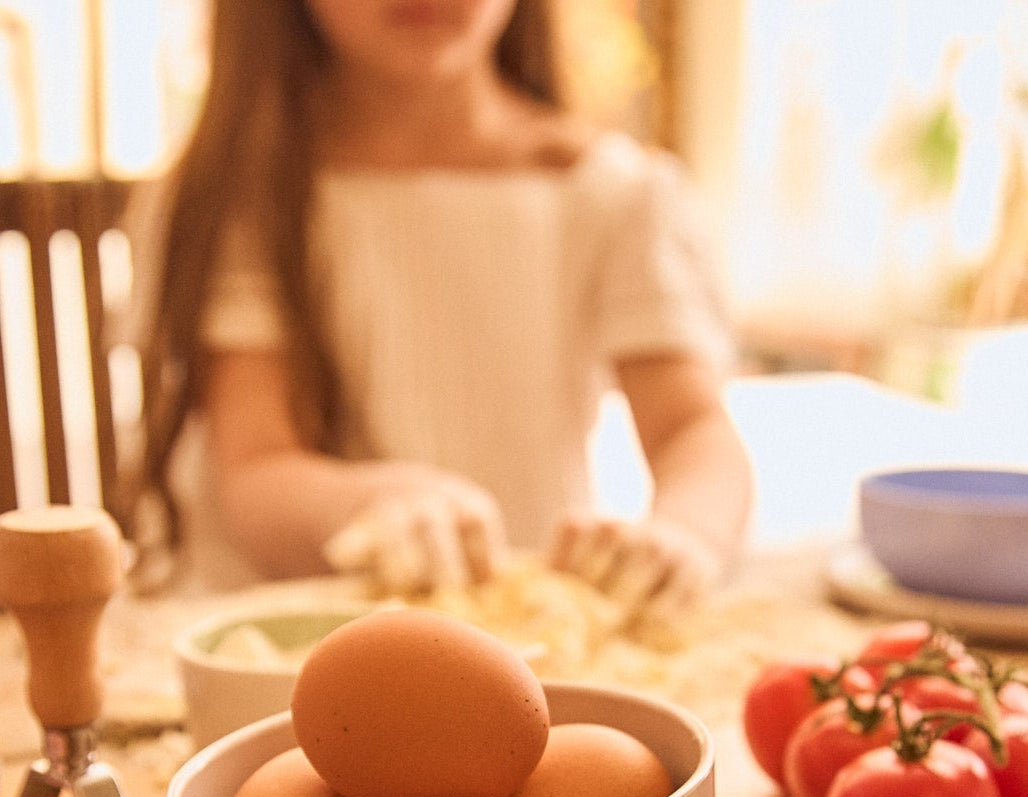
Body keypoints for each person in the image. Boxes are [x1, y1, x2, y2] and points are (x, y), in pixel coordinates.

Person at [134, 0, 754, 620]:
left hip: (524, 649)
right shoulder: (241, 196)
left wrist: (684, 535)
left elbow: (690, 430)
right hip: (282, 648)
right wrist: (369, 505)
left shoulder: (613, 193)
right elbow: (256, 467)